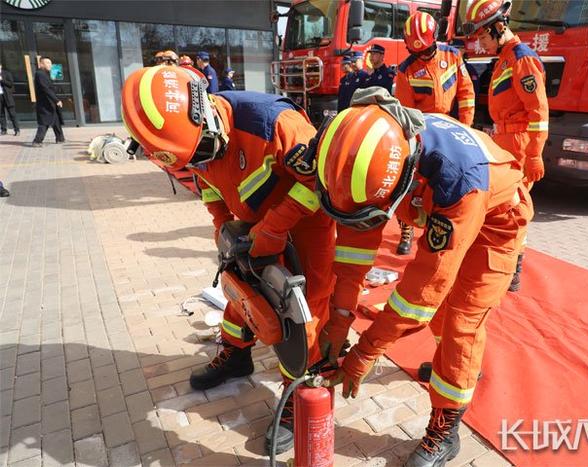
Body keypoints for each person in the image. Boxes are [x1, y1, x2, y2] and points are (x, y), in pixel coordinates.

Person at [121, 66, 334, 455]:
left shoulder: (275, 124)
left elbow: (317, 185)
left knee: (305, 308)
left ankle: (297, 393)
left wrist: (272, 230)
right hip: (250, 221)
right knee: (240, 290)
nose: (201, 159)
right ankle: (236, 356)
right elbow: (206, 184)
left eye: (204, 150)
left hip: (305, 222)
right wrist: (223, 225)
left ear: (207, 111)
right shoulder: (185, 144)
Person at [316, 88, 532, 467]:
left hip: (496, 225)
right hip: (453, 209)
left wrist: (366, 351)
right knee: (444, 317)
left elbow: (421, 292)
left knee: (461, 321)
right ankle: (454, 366)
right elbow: (353, 255)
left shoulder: (455, 176)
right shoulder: (375, 155)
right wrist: (339, 320)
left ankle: (445, 432)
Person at [463, 0, 548, 291]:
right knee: (502, 204)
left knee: (516, 207)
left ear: (499, 28)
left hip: (520, 143)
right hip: (505, 139)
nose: (480, 43)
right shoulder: (506, 57)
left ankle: (513, 268)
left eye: (483, 37)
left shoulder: (522, 58)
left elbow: (538, 113)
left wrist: (534, 154)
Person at [394, 11, 477, 257]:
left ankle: (441, 226)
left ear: (435, 39)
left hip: (452, 127)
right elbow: (407, 111)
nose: (424, 56)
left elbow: (466, 93)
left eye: (428, 50)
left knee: (449, 182)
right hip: (424, 131)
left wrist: (466, 127)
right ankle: (406, 230)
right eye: (418, 52)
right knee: (411, 183)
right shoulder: (405, 70)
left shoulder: (452, 56)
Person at [31, 57, 64, 147]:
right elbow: (45, 89)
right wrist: (56, 100)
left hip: (50, 103)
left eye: (50, 63)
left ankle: (60, 138)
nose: (50, 65)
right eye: (47, 63)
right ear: (41, 64)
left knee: (56, 120)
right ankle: (37, 141)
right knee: (44, 122)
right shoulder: (40, 74)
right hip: (45, 103)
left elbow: (51, 87)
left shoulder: (46, 74)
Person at [0, 64, 20, 136]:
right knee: (1, 114)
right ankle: (3, 130)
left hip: (7, 96)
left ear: (1, 66)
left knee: (12, 114)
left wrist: (2, 80)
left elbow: (11, 84)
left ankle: (17, 130)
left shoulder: (6, 73)